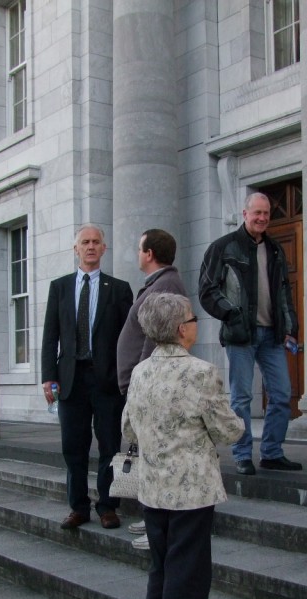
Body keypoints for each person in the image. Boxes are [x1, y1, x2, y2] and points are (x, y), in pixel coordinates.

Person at [122, 293, 244, 599]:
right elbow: (228, 430)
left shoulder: (140, 372)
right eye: (192, 318)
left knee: (161, 570)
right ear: (180, 329)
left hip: (153, 488)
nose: (196, 324)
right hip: (190, 491)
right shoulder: (200, 373)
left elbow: (127, 428)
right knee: (187, 576)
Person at [198, 192, 301, 475]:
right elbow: (207, 290)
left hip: (272, 335)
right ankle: (242, 454)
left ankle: (271, 452)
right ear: (244, 214)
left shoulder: (277, 250)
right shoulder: (224, 247)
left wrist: (291, 328)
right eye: (257, 213)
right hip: (241, 335)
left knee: (282, 394)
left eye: (266, 213)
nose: (262, 218)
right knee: (241, 398)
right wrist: (232, 314)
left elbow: (284, 293)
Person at [42, 224, 134, 530]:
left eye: (96, 242)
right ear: (76, 249)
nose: (91, 246)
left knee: (110, 444)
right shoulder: (60, 287)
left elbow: (127, 338)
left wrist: (126, 377)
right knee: (73, 446)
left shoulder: (119, 289)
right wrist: (48, 377)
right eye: (85, 242)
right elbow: (50, 336)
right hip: (70, 379)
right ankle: (78, 506)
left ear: (104, 249)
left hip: (106, 379)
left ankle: (108, 506)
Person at [116, 228, 187, 550]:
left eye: (139, 247)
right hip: (145, 382)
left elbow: (155, 336)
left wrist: (142, 378)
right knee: (150, 455)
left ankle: (160, 529)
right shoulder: (159, 283)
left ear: (149, 253)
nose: (136, 253)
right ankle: (153, 519)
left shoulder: (166, 284)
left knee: (158, 457)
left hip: (151, 386)